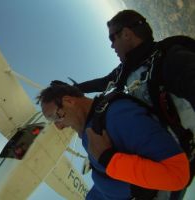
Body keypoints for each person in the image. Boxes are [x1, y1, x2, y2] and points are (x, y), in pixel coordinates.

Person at [60, 10, 195, 199]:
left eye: (112, 39)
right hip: (145, 158)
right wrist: (72, 89)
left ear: (126, 34)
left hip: (168, 167)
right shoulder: (127, 69)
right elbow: (103, 82)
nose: (111, 46)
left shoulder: (171, 59)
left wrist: (107, 157)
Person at [37, 83, 190, 200]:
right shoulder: (90, 129)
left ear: (69, 101)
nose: (59, 126)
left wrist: (108, 158)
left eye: (56, 117)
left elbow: (177, 175)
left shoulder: (119, 116)